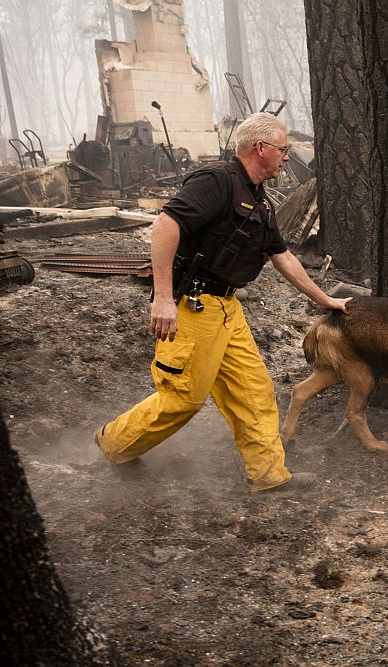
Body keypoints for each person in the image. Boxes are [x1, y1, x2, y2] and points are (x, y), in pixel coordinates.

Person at [95, 112, 350, 493]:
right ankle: (113, 444)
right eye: (282, 149)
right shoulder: (217, 180)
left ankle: (268, 475)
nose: (286, 156)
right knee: (183, 398)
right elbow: (167, 224)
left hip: (227, 308)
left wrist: (324, 299)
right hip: (192, 306)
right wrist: (162, 298)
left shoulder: (258, 199)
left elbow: (282, 256)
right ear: (260, 148)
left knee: (254, 390)